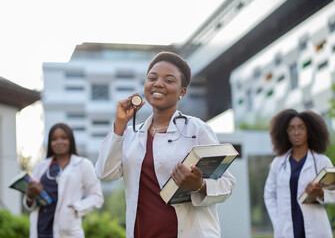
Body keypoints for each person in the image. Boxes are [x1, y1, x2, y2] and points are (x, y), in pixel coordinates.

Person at [95, 51, 236, 238]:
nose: (158, 83)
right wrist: (120, 124)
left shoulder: (197, 130)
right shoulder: (130, 135)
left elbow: (227, 184)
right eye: (152, 78)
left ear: (182, 92)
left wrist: (199, 185)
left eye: (169, 80)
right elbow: (105, 172)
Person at [264, 109, 335, 238]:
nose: (296, 132)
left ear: (309, 131)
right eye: (291, 129)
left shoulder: (321, 161)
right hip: (286, 230)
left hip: (316, 230)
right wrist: (278, 221)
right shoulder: (278, 163)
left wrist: (321, 193)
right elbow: (269, 195)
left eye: (301, 128)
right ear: (285, 133)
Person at [24, 123, 104, 238]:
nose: (59, 142)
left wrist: (76, 208)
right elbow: (29, 202)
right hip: (41, 229)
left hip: (68, 230)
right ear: (50, 143)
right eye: (54, 139)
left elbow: (97, 197)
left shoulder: (83, 165)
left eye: (64, 137)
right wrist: (29, 196)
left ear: (71, 140)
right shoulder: (41, 166)